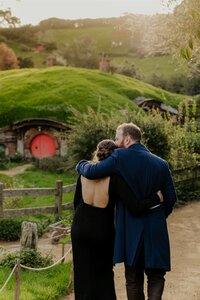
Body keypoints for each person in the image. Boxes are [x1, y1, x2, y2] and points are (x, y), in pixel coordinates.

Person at [76, 123, 177, 300]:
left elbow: (92, 171)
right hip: (156, 226)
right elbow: (171, 199)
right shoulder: (162, 164)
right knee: (156, 276)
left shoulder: (118, 157)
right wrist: (158, 216)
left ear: (127, 139)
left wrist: (80, 165)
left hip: (131, 226)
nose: (116, 142)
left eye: (117, 137)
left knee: (133, 278)